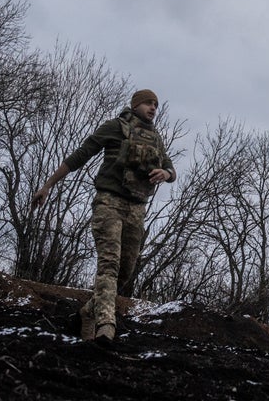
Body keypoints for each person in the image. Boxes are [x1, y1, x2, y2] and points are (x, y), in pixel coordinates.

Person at [32, 88, 176, 347]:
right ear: (135, 105)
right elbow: (81, 154)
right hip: (109, 202)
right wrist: (48, 185)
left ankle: (88, 312)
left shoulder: (155, 137)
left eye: (156, 104)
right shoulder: (114, 127)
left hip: (137, 208)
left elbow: (170, 167)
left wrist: (165, 174)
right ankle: (106, 326)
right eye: (148, 103)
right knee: (108, 264)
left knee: (125, 270)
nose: (153, 108)